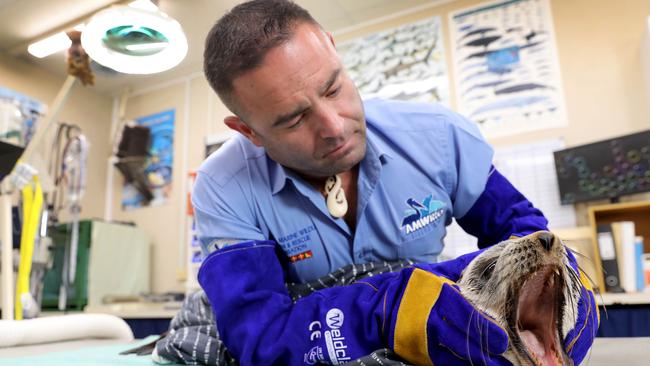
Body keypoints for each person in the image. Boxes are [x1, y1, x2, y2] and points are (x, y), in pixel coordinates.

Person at [193, 1, 598, 365]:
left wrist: (563, 290)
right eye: (293, 119)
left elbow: (527, 237)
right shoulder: (224, 187)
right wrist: (390, 308)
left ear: (334, 50)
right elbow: (259, 338)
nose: (334, 127)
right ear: (248, 130)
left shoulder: (440, 138)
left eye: (333, 88)